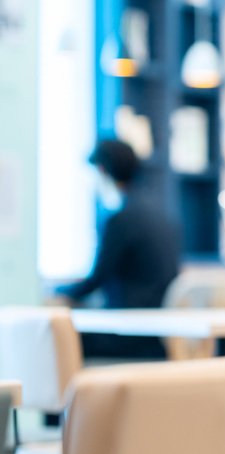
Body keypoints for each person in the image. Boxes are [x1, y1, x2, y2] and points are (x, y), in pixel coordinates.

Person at [57, 139, 181, 358]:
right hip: (158, 337)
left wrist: (56, 293)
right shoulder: (162, 214)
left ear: (102, 170)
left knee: (57, 342)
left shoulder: (120, 218)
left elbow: (96, 279)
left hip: (128, 335)